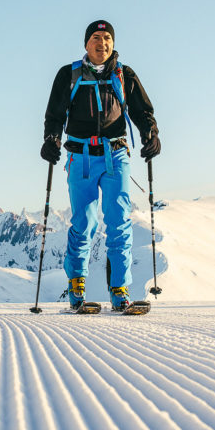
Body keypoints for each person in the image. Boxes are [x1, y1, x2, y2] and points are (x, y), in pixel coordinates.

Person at [41, 20, 160, 311]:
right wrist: (51, 139)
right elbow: (55, 113)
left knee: (119, 221)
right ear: (86, 44)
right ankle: (77, 288)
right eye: (96, 37)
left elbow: (142, 110)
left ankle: (120, 290)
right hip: (79, 157)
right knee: (84, 223)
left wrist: (150, 134)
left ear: (112, 44)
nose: (102, 43)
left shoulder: (124, 74)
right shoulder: (69, 75)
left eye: (107, 38)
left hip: (116, 154)